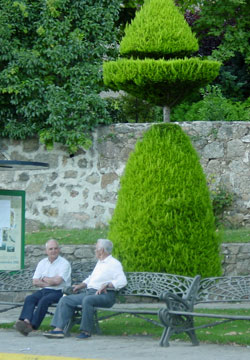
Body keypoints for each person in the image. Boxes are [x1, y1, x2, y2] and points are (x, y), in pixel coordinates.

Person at [43, 238, 127, 339]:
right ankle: (58, 330)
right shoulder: (100, 262)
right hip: (90, 293)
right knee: (66, 299)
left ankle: (86, 331)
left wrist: (108, 284)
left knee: (88, 300)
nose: (95, 251)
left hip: (105, 295)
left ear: (102, 250)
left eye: (96, 249)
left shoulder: (114, 263)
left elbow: (122, 281)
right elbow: (91, 278)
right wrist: (80, 285)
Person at [15, 239, 71, 336]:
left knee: (44, 300)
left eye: (55, 248)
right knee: (30, 298)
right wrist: (50, 282)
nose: (53, 251)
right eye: (50, 249)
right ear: (46, 251)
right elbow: (35, 281)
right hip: (45, 290)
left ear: (59, 249)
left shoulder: (64, 263)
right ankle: (26, 322)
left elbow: (57, 282)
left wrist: (44, 278)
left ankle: (32, 326)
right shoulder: (42, 263)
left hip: (60, 291)